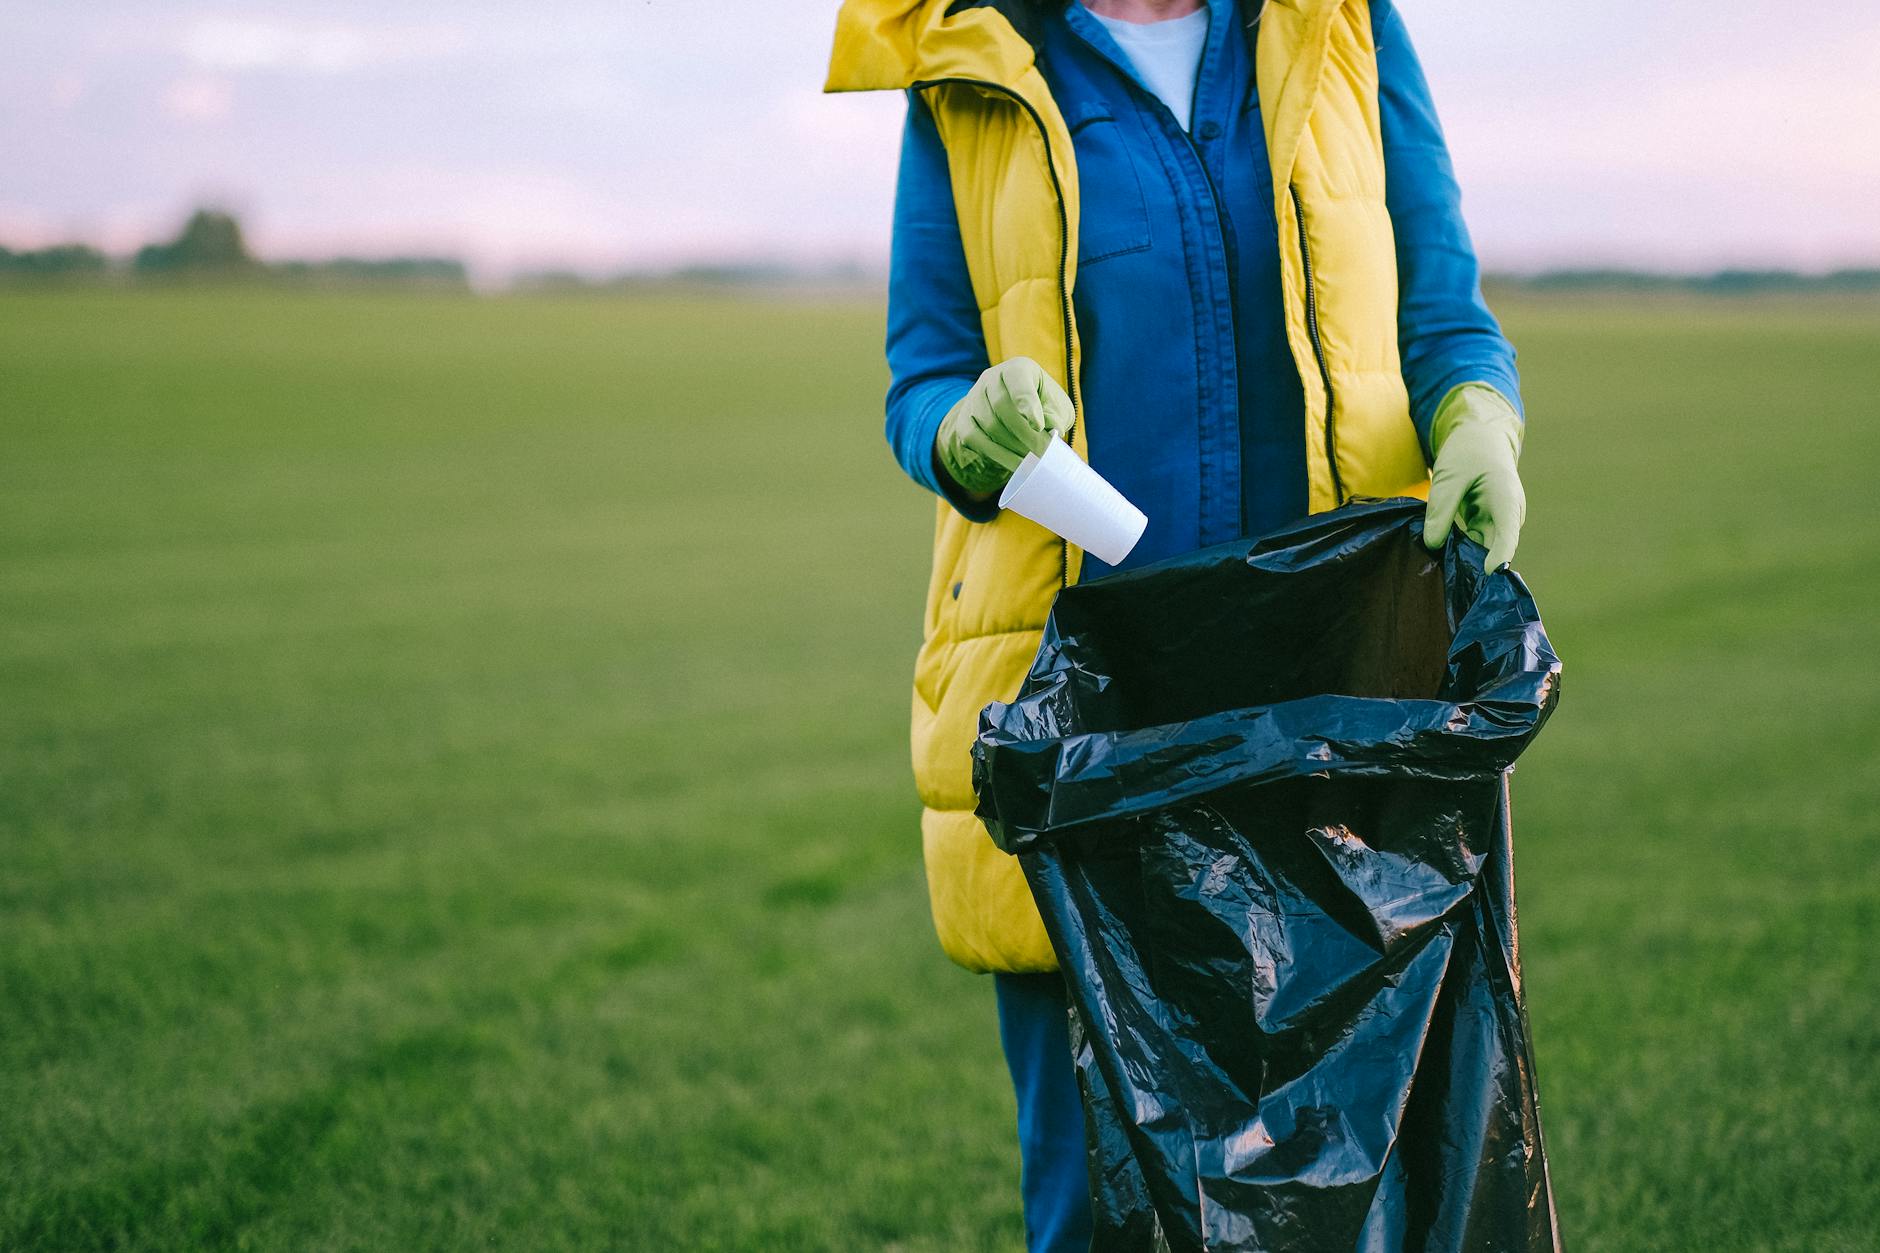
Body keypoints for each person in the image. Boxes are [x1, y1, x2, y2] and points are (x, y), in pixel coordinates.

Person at [826, 0, 1526, 1247]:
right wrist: (962, 426)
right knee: (1100, 1204)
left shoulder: (1345, 24)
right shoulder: (964, 58)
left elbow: (1440, 312)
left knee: (1356, 1192)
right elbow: (919, 372)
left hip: (1331, 702)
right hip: (1094, 721)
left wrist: (1478, 413)